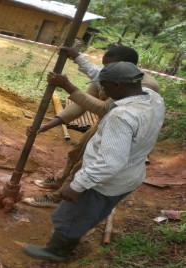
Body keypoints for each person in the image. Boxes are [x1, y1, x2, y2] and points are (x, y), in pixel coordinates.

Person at [23, 61, 165, 262]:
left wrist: (77, 185)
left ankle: (57, 252)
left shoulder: (122, 116)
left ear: (117, 85)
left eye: (105, 87)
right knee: (91, 213)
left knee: (70, 216)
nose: (103, 92)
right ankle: (67, 245)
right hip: (130, 175)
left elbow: (110, 162)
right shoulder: (153, 99)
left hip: (104, 181)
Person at [22, 46, 160, 207]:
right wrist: (49, 125)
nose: (104, 70)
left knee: (87, 163)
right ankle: (60, 180)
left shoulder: (144, 85)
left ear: (125, 67)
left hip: (121, 131)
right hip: (105, 123)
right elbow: (81, 104)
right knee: (76, 152)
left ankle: (60, 196)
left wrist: (68, 86)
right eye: (104, 66)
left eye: (109, 67)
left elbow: (105, 108)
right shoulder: (109, 77)